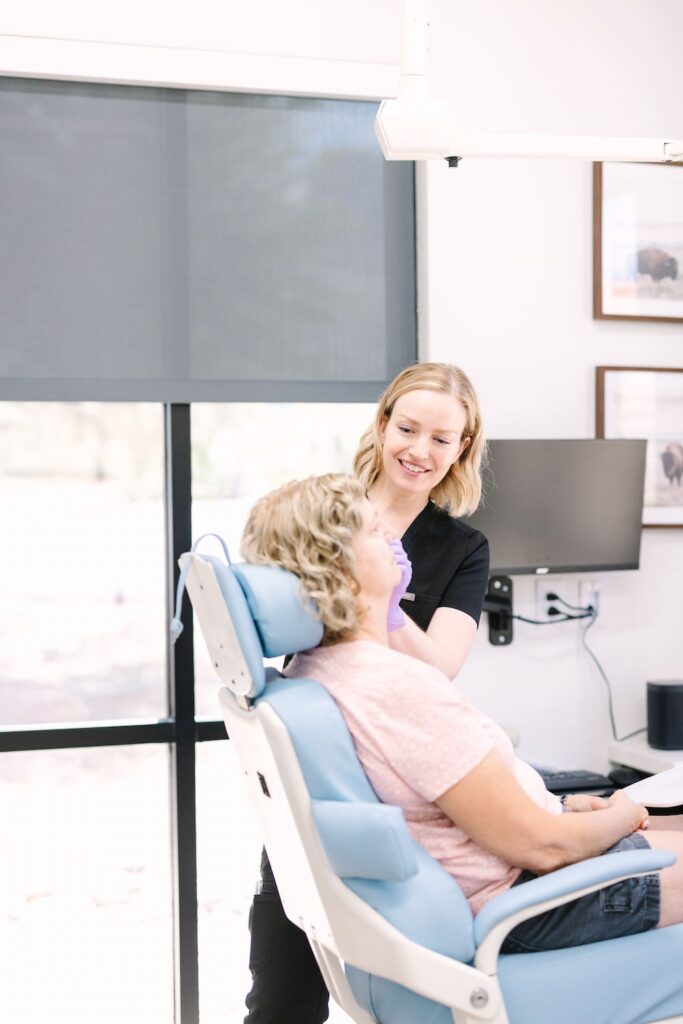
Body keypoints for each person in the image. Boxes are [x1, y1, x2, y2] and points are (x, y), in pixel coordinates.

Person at [242, 473, 683, 955]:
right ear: (337, 569)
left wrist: (565, 807)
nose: (393, 536)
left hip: (522, 873)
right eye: (373, 530)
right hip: (533, 901)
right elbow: (545, 848)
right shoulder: (393, 688)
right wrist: (621, 815)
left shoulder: (317, 670)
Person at [243, 362, 490, 1023]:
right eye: (407, 428)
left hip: (397, 765)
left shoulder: (461, 548)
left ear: (463, 447)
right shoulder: (323, 510)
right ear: (382, 425)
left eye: (443, 439)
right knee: (283, 987)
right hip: (323, 756)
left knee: (404, 981)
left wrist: (381, 597)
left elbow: (439, 667)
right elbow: (267, 624)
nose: (420, 450)